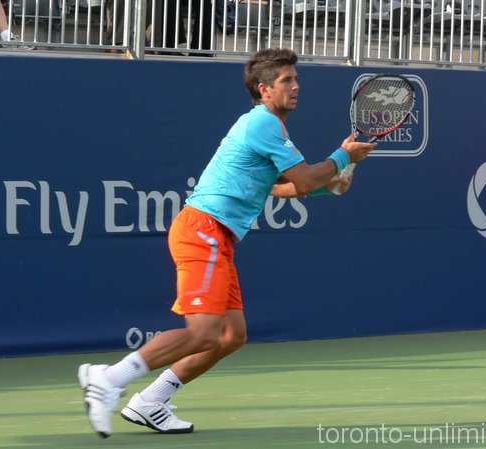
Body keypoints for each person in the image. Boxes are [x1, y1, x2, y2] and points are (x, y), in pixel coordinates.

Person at [78, 48, 377, 439]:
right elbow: (303, 179)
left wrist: (331, 186)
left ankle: (151, 401)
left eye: (296, 79)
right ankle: (110, 378)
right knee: (203, 333)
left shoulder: (270, 128)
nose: (296, 86)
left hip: (216, 236)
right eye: (287, 80)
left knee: (231, 336)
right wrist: (342, 156)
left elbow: (282, 187)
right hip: (203, 230)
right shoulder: (263, 124)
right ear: (264, 88)